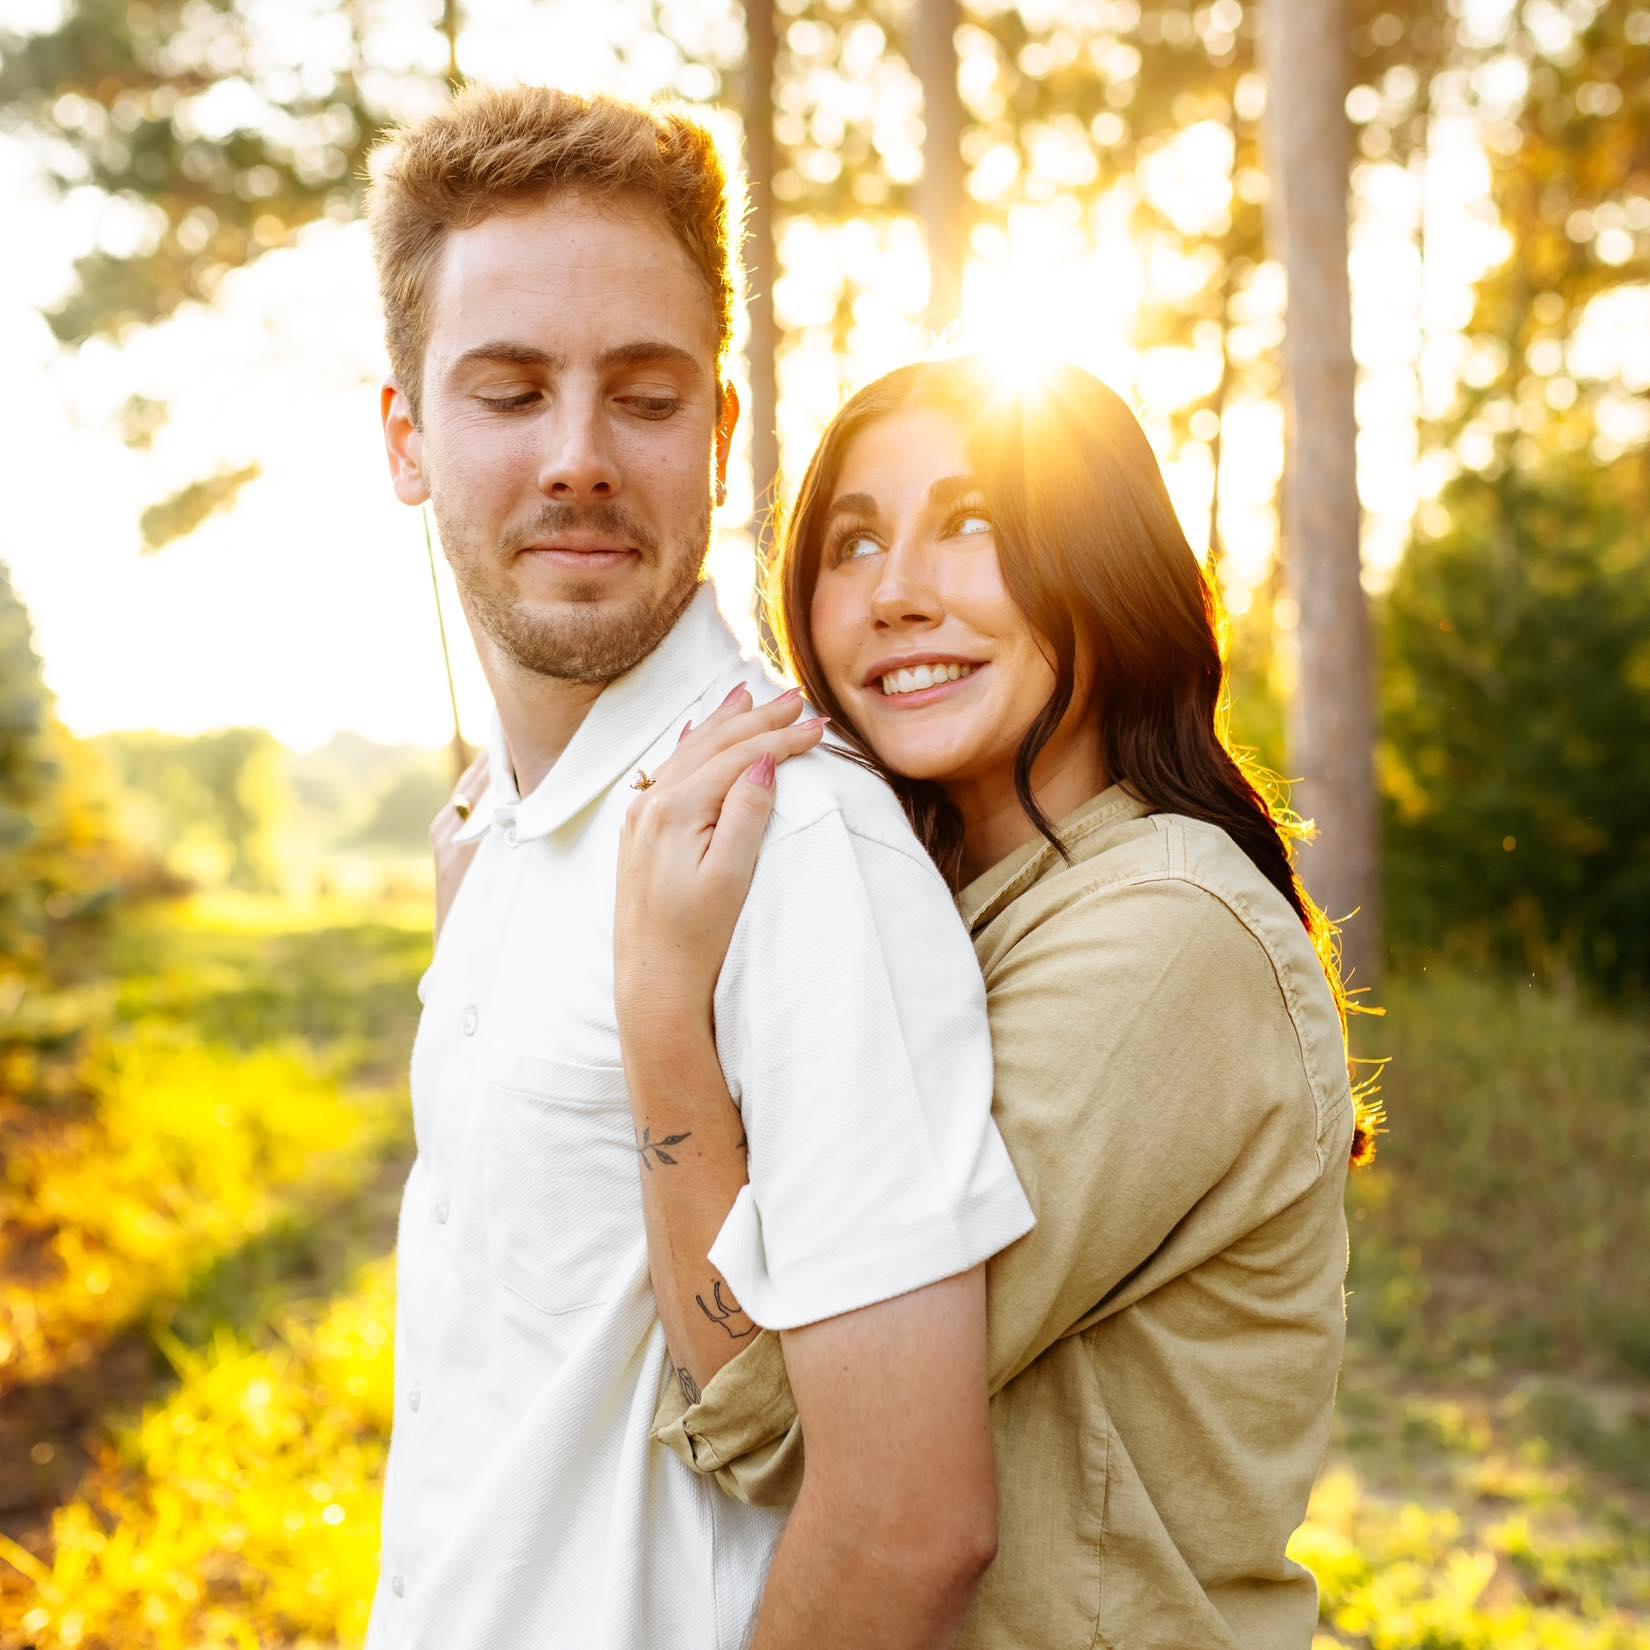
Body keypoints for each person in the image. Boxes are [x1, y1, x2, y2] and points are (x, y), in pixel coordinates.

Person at [367, 85, 1036, 1650]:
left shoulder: (791, 840)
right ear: (405, 434)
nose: (580, 457)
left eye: (646, 398)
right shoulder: (502, 830)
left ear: (722, 435)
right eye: (509, 391)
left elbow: (908, 1523)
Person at [573, 355, 1374, 1649]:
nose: (894, 594)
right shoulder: (936, 908)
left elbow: (783, 1417)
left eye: (972, 526)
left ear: (1103, 564)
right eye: (852, 542)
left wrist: (663, 1015)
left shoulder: (1160, 933)